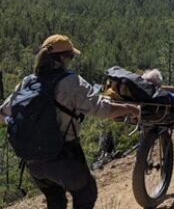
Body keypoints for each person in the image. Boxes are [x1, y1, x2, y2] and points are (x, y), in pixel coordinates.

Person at [0, 34, 139, 209]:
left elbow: (3, 113)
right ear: (61, 59)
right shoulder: (70, 81)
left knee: (55, 200)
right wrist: (129, 108)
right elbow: (101, 109)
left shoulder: (27, 82)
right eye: (70, 57)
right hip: (64, 155)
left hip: (32, 161)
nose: (71, 61)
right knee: (86, 193)